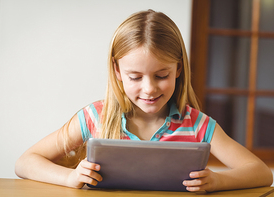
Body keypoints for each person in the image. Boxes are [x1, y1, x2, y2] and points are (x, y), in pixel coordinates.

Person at [15, 9, 273, 192]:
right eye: (135, 77)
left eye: (161, 75)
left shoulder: (196, 124)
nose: (149, 89)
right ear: (117, 72)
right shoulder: (95, 117)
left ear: (179, 69)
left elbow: (261, 172)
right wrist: (70, 177)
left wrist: (218, 181)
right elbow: (25, 162)